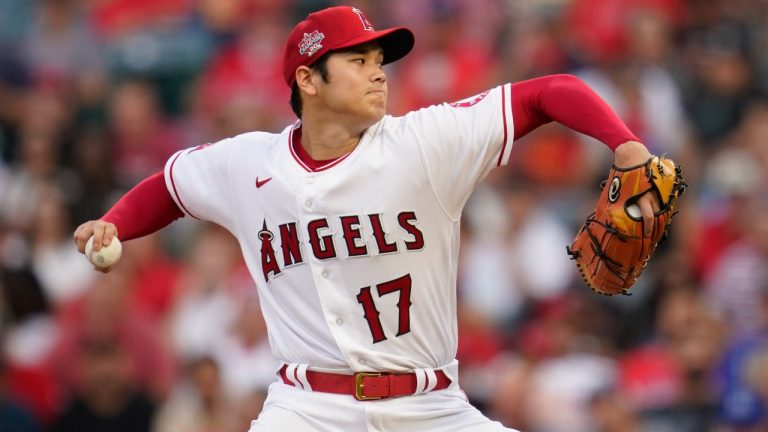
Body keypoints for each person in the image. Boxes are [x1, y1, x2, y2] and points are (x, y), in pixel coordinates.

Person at [73, 6, 661, 431]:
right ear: (308, 79)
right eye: (358, 60)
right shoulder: (247, 163)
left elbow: (547, 91)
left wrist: (627, 145)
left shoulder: (424, 143)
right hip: (307, 408)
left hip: (430, 407)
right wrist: (114, 222)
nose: (379, 72)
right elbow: (171, 186)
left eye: (380, 60)